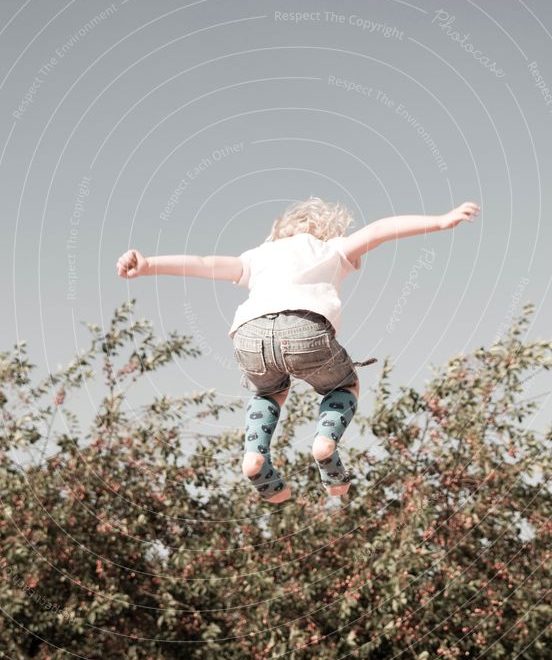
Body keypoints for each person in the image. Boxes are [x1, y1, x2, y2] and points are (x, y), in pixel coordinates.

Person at [116, 197, 480, 504]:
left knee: (268, 391)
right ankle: (325, 444)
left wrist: (148, 265)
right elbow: (380, 229)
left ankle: (255, 457)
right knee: (343, 387)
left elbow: (204, 263)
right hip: (304, 329)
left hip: (248, 334)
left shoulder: (258, 256)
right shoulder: (331, 248)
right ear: (327, 230)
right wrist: (441, 221)